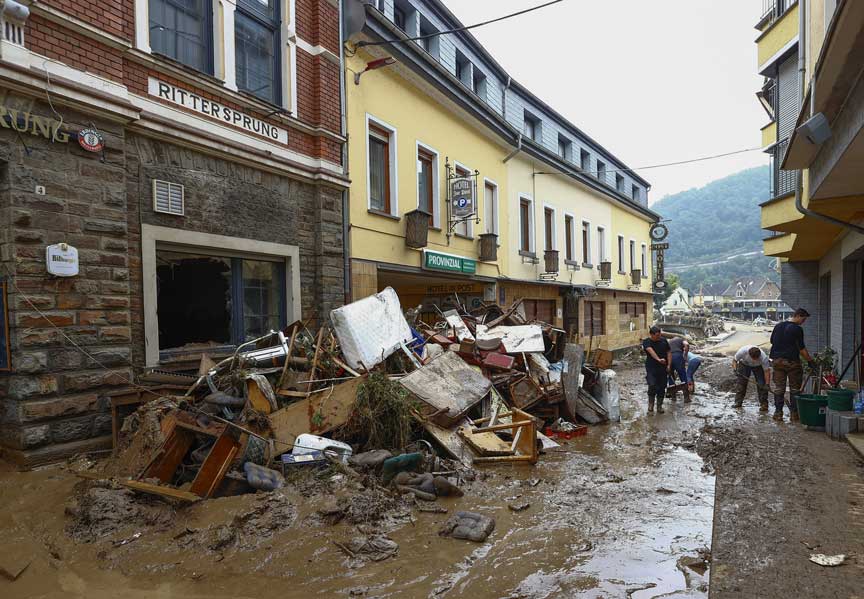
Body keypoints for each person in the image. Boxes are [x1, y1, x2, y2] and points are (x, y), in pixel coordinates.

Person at [769, 308, 815, 422]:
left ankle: (778, 413)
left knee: (779, 388)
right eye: (803, 319)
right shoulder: (797, 329)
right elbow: (802, 349)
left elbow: (771, 341)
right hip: (792, 362)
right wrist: (810, 361)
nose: (803, 322)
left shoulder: (778, 326)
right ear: (798, 316)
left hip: (777, 361)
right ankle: (794, 414)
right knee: (795, 389)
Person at [733, 345, 772, 411]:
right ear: (749, 354)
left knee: (761, 384)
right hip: (744, 365)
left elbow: (766, 371)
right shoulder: (742, 352)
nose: (755, 360)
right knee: (741, 384)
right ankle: (738, 402)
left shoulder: (764, 358)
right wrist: (735, 369)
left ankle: (764, 404)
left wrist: (767, 384)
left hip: (758, 367)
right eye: (753, 358)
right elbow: (734, 360)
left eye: (757, 358)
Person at [643, 326, 671, 414]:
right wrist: (658, 359)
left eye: (660, 335)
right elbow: (650, 350)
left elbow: (669, 352)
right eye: (657, 335)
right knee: (652, 385)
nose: (659, 337)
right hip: (651, 367)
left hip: (663, 368)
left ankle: (659, 406)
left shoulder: (664, 341)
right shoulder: (647, 341)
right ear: (651, 334)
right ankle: (651, 405)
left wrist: (669, 365)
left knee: (662, 387)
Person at [666, 336, 691, 403]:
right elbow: (687, 345)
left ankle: (673, 397)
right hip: (677, 356)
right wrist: (685, 355)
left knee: (671, 376)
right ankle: (686, 398)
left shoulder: (669, 341)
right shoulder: (681, 339)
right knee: (682, 376)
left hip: (669, 357)